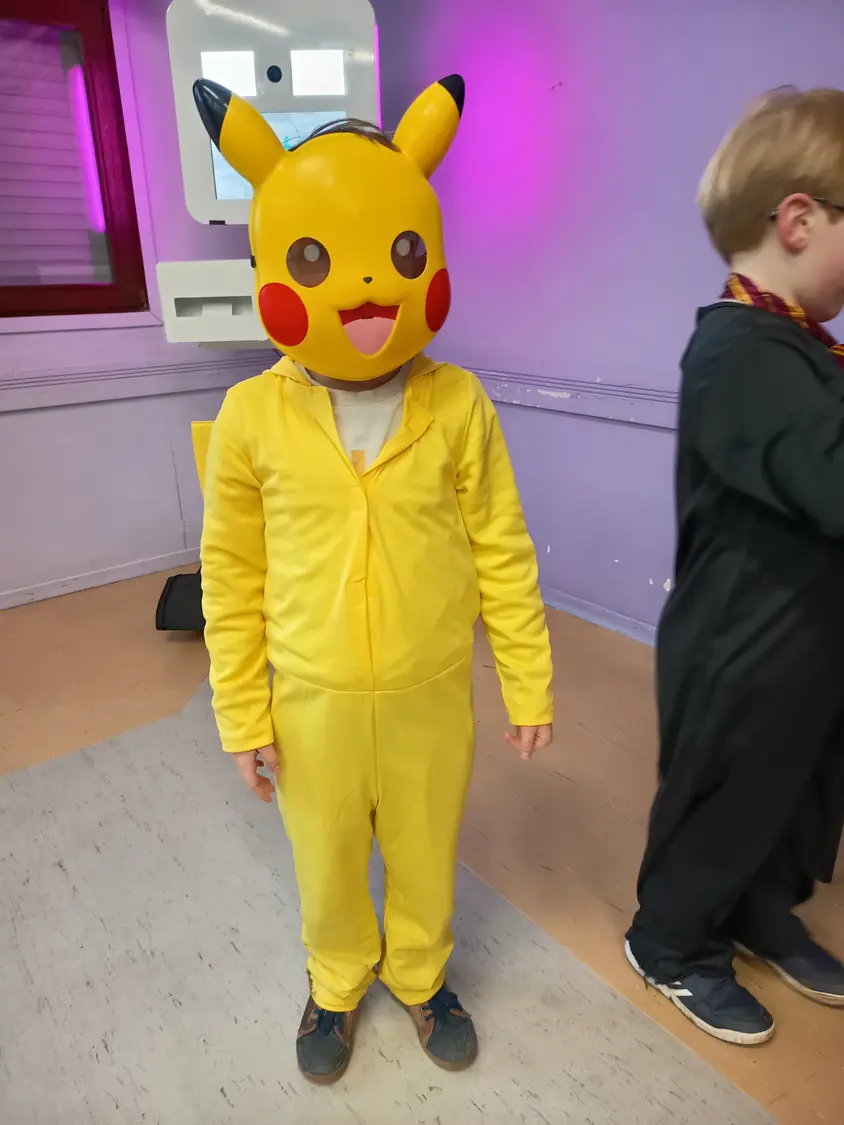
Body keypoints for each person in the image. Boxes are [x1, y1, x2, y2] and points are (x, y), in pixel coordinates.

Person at [193, 75, 554, 1083]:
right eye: (316, 261)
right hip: (310, 700)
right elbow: (230, 575)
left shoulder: (460, 402)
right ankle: (337, 980)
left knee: (427, 848)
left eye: (396, 257)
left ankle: (422, 973)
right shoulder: (251, 417)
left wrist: (526, 680)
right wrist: (243, 713)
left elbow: (502, 546)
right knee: (324, 859)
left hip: (429, 690)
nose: (360, 288)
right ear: (275, 265)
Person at [626, 87, 844, 1047]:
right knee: (727, 795)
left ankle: (757, 909)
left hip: (805, 633)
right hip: (739, 645)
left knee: (793, 791)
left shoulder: (794, 345)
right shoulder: (737, 351)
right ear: (799, 220)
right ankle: (670, 940)